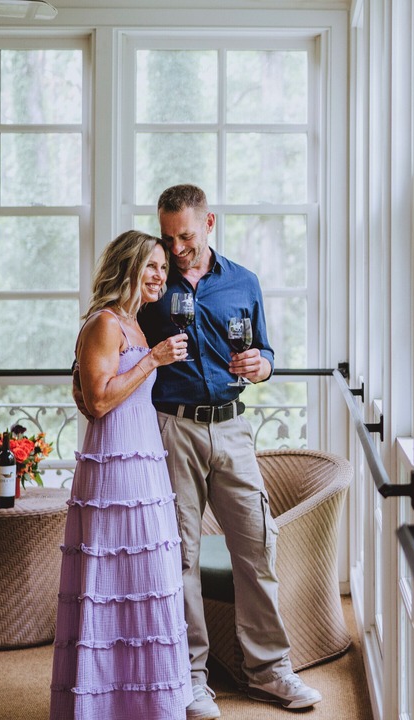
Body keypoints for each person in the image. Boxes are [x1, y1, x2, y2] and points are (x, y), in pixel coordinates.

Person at [138, 184, 322, 719]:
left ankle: (270, 672)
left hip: (234, 429)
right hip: (173, 430)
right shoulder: (151, 282)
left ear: (209, 222)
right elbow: (119, 333)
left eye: (186, 237)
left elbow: (265, 351)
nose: (176, 250)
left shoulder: (243, 282)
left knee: (257, 548)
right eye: (168, 238)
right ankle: (191, 680)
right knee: (182, 558)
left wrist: (262, 366)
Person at [51, 231, 192, 719]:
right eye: (150, 266)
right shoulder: (105, 323)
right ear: (126, 267)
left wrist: (152, 353)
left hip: (146, 466)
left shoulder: (135, 324)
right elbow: (99, 401)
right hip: (114, 472)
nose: (160, 275)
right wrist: (153, 359)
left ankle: (147, 706)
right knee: (110, 586)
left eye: (162, 267)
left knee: (149, 584)